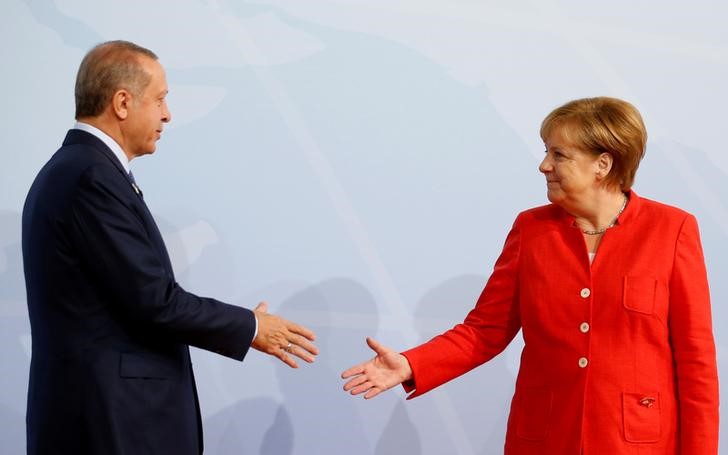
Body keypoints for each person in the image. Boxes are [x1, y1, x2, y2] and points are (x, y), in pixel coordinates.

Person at [341, 97, 719, 454]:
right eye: (546, 152)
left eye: (559, 155)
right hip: (544, 436)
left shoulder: (672, 229)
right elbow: (484, 330)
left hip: (636, 442)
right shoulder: (531, 229)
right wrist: (411, 364)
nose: (544, 165)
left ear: (603, 164)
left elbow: (695, 360)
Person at [22, 40, 318, 455]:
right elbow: (153, 301)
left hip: (105, 416)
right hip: (111, 422)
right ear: (122, 102)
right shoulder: (90, 177)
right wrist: (250, 328)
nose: (167, 114)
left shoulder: (81, 170)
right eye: (160, 99)